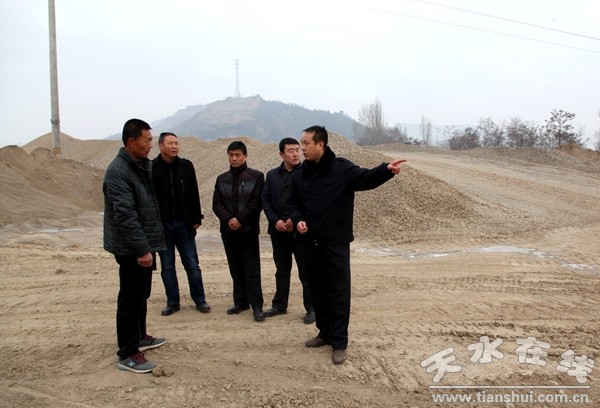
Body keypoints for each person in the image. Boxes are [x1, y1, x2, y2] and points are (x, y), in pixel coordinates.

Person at [289, 125, 406, 365]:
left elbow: (366, 178)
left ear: (320, 144)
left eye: (306, 144)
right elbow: (292, 203)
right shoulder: (300, 174)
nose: (302, 148)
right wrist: (298, 219)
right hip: (310, 243)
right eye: (301, 144)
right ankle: (324, 333)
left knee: (338, 293)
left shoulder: (341, 169)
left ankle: (339, 342)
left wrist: (386, 170)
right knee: (317, 290)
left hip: (335, 244)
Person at [103, 118, 167, 374]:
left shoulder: (139, 165)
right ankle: (128, 353)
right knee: (130, 299)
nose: (151, 145)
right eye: (147, 140)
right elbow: (126, 215)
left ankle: (140, 336)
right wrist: (141, 249)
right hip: (131, 248)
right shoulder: (118, 171)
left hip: (143, 244)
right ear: (131, 141)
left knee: (142, 295)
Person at [152, 132, 211, 317]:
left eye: (176, 143)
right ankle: (173, 302)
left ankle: (200, 300)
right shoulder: (152, 168)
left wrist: (196, 219)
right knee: (167, 266)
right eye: (170, 143)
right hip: (163, 226)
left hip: (184, 224)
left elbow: (194, 193)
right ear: (161, 146)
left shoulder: (186, 166)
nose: (174, 146)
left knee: (192, 264)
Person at [261, 137, 314, 324]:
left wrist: (295, 219)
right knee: (282, 270)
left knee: (305, 271)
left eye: (297, 150)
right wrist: (275, 221)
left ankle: (312, 307)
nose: (296, 154)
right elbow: (265, 200)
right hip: (278, 231)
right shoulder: (272, 175)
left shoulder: (308, 173)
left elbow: (311, 201)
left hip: (300, 231)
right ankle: (279, 305)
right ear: (281, 154)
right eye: (290, 151)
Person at [212, 140, 266, 322]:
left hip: (248, 231)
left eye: (238, 155)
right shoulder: (222, 179)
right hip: (228, 231)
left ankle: (257, 305)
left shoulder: (256, 177)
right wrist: (229, 219)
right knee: (235, 267)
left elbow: (256, 203)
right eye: (231, 155)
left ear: (245, 156)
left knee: (251, 268)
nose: (234, 158)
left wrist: (239, 219)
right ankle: (241, 301)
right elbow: (216, 204)